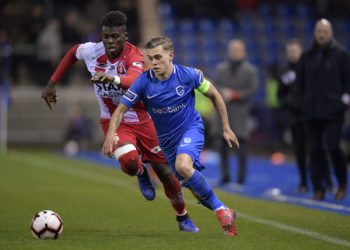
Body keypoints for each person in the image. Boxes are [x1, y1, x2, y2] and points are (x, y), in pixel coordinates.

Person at [41, 10, 199, 232]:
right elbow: (72, 53)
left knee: (165, 173)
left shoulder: (134, 56)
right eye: (106, 36)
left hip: (143, 118)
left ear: (125, 35)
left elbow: (134, 80)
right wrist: (52, 82)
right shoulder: (92, 51)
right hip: (113, 120)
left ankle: (183, 218)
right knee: (130, 161)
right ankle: (141, 173)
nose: (110, 41)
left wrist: (112, 78)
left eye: (115, 36)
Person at [103, 36, 239, 236]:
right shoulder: (143, 82)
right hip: (166, 143)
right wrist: (110, 135)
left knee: (183, 166)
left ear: (171, 55)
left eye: (158, 57)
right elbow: (120, 110)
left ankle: (220, 211)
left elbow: (215, 95)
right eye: (150, 58)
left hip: (191, 129)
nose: (154, 63)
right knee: (194, 189)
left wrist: (226, 127)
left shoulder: (188, 75)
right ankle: (227, 212)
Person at [295, 19, 350, 201]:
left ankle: (342, 182)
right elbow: (299, 84)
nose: (321, 34)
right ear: (314, 33)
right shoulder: (307, 56)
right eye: (319, 31)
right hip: (311, 112)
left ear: (331, 33)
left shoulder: (341, 55)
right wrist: (302, 104)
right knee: (315, 150)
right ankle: (319, 188)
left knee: (333, 146)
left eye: (325, 31)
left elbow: (348, 82)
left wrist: (343, 103)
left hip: (333, 111)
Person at [214, 39, 258, 185]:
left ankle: (241, 177)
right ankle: (225, 176)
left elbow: (252, 90)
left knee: (242, 148)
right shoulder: (221, 68)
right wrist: (223, 92)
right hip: (222, 114)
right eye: (233, 50)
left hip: (240, 115)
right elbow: (213, 86)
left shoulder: (251, 70)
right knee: (222, 148)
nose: (235, 53)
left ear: (244, 52)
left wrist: (234, 94)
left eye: (238, 50)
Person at [277, 39, 308, 193]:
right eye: (290, 51)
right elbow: (280, 95)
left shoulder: (309, 69)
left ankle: (323, 180)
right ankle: (304, 181)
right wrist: (287, 103)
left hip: (311, 116)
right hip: (296, 117)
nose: (292, 54)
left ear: (301, 52)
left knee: (317, 149)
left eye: (295, 51)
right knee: (300, 150)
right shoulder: (285, 73)